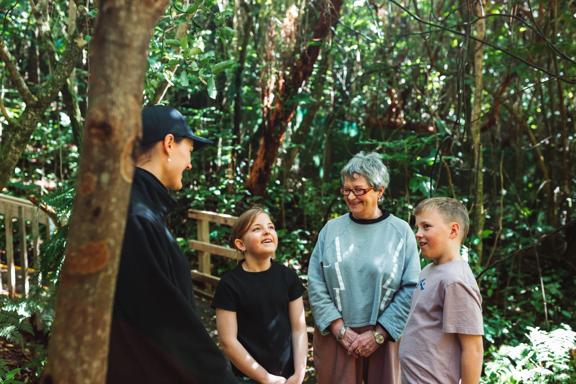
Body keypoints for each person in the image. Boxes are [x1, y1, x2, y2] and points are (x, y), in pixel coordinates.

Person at [107, 105, 237, 383]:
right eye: (189, 149)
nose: (190, 163)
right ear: (168, 144)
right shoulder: (136, 216)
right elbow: (165, 323)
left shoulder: (138, 208)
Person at [307, 152, 421, 384]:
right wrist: (339, 329)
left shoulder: (400, 232)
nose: (351, 196)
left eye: (359, 190)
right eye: (346, 189)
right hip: (336, 336)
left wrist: (378, 334)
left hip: (385, 338)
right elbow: (315, 282)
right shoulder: (331, 230)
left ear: (379, 191)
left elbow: (411, 287)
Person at [212, 207, 307, 384]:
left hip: (289, 377)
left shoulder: (288, 277)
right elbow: (227, 341)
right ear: (241, 244)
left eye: (270, 227)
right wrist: (265, 378)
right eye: (257, 229)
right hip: (248, 378)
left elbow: (299, 328)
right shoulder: (229, 284)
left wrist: (300, 372)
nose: (267, 232)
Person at [399, 197, 484, 384]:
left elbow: (473, 348)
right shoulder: (427, 271)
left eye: (426, 227)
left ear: (453, 230)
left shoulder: (455, 280)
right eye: (417, 227)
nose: (418, 233)